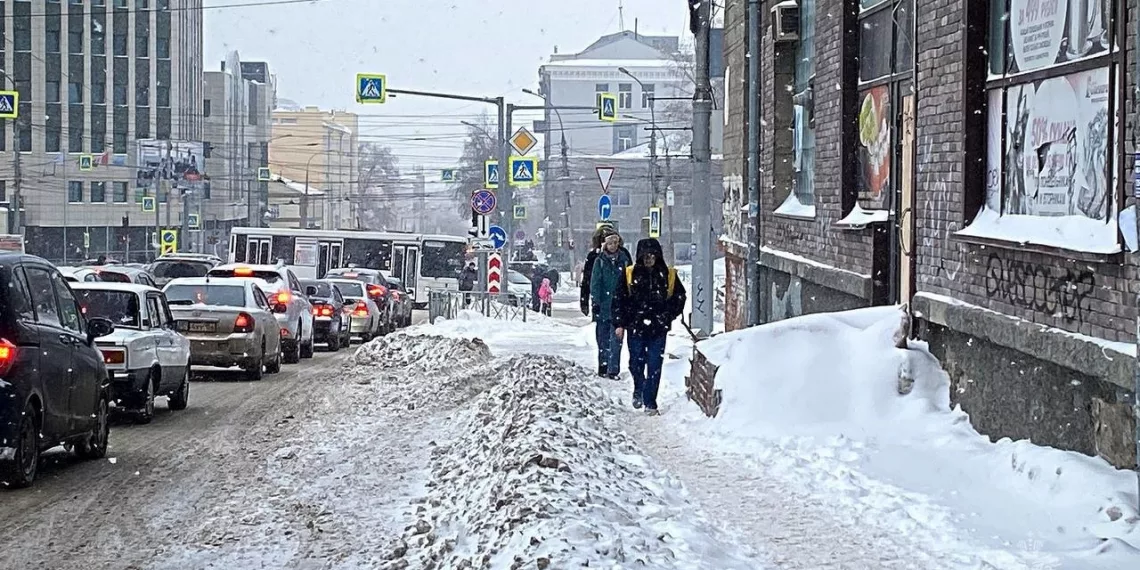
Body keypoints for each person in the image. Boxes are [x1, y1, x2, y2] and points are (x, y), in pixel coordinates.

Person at [613, 238, 686, 415]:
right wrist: (620, 323)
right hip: (636, 326)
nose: (649, 259)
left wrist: (667, 315)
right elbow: (619, 300)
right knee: (636, 362)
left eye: (652, 256)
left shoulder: (668, 275)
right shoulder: (630, 274)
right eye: (645, 256)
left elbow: (679, 298)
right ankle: (639, 387)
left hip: (658, 328)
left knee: (654, 364)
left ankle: (650, 402)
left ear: (658, 256)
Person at [589, 233, 632, 378]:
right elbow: (595, 283)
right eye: (610, 243)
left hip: (619, 306)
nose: (613, 246)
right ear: (605, 245)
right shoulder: (600, 261)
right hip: (603, 305)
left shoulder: (624, 260)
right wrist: (595, 301)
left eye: (615, 242)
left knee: (616, 339)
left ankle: (613, 369)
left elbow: (630, 280)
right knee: (602, 338)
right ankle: (603, 365)